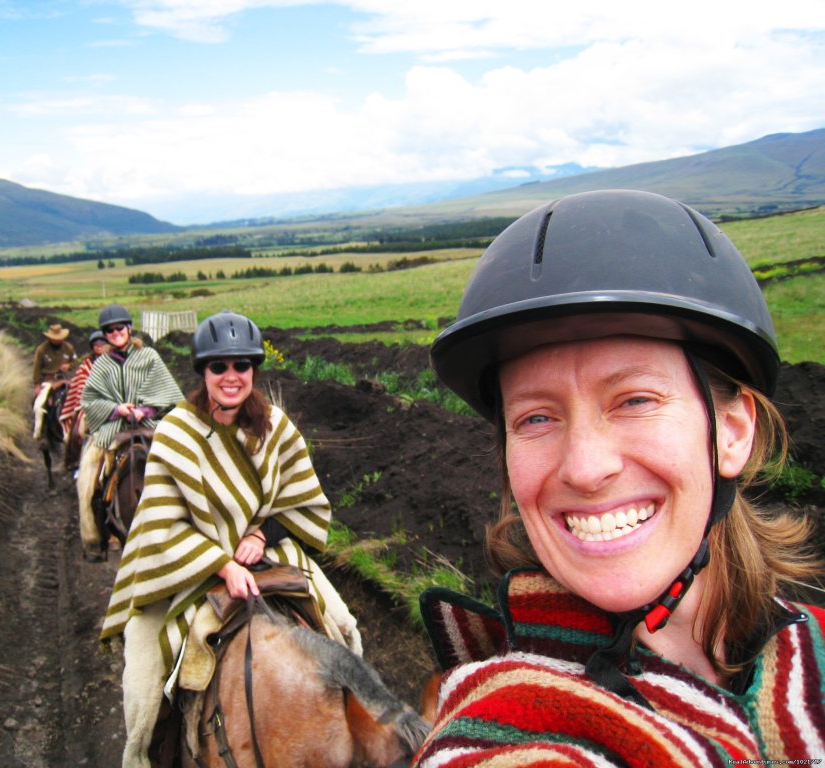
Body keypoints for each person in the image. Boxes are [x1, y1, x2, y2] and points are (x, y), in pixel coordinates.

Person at [414, 189, 825, 766]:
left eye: (634, 400)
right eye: (536, 417)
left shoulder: (813, 648)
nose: (584, 467)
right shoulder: (503, 731)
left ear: (731, 432)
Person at [100, 310, 363, 768]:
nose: (231, 376)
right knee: (143, 675)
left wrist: (264, 533)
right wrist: (224, 565)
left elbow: (302, 502)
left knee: (345, 630)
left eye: (241, 365)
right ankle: (144, 753)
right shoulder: (176, 435)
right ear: (203, 372)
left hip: (272, 554)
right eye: (219, 366)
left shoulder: (276, 427)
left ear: (253, 370)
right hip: (190, 566)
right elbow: (162, 526)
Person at [78, 305, 183, 561]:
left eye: (119, 328)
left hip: (149, 424)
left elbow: (167, 392)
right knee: (88, 478)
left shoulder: (149, 356)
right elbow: (89, 400)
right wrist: (116, 409)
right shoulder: (101, 365)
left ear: (129, 328)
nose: (115, 333)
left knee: (183, 457)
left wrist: (145, 410)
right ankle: (96, 538)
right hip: (113, 430)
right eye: (109, 330)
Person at [60, 329, 106, 471]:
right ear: (92, 347)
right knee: (77, 431)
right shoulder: (86, 366)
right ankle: (75, 463)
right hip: (89, 405)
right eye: (96, 344)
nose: (99, 347)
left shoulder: (114, 361)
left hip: (113, 404)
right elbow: (81, 387)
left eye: (102, 344)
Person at [31, 323, 77, 440]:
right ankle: (40, 432)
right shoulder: (42, 349)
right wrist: (37, 384)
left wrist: (69, 365)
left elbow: (75, 362)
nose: (58, 341)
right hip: (48, 380)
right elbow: (36, 368)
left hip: (64, 378)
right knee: (40, 405)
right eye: (55, 339)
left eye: (60, 339)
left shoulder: (68, 348)